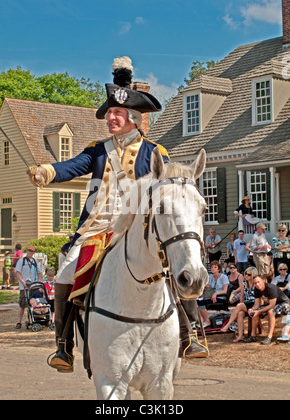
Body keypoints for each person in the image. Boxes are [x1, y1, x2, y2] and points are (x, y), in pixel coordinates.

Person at [28, 56, 206, 372]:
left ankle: (190, 336)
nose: (111, 118)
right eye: (109, 113)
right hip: (96, 231)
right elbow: (71, 167)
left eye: (117, 113)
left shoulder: (155, 152)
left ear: (133, 118)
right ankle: (64, 345)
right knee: (67, 273)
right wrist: (46, 171)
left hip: (136, 228)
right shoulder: (97, 150)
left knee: (174, 263)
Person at [244, 274, 290, 345]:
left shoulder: (270, 288)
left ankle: (269, 337)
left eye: (258, 282)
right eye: (255, 283)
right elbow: (256, 305)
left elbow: (272, 305)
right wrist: (252, 309)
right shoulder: (257, 289)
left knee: (270, 311)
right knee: (254, 312)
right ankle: (253, 336)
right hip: (272, 304)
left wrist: (258, 311)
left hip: (284, 303)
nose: (257, 284)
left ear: (263, 281)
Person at [221, 266, 258, 342]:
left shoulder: (256, 284)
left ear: (253, 275)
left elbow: (259, 298)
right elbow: (242, 297)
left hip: (254, 304)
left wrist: (241, 305)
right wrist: (241, 306)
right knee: (240, 313)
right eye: (246, 274)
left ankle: (228, 325)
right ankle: (240, 336)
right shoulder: (244, 283)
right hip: (246, 303)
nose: (247, 276)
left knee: (239, 306)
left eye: (249, 275)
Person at [15, 245, 43, 329]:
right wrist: (22, 282)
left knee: (36, 303)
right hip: (24, 287)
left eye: (32, 251)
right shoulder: (21, 261)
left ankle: (37, 319)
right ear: (26, 251)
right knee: (22, 304)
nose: (30, 252)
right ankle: (19, 322)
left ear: (34, 252)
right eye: (29, 250)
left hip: (34, 286)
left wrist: (40, 282)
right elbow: (17, 272)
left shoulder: (36, 262)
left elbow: (40, 273)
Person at [197, 261, 229, 327]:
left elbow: (225, 291)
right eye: (212, 267)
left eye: (215, 267)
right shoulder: (210, 277)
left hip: (220, 297)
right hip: (211, 296)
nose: (213, 268)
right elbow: (209, 286)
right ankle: (200, 320)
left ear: (219, 269)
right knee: (197, 301)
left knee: (200, 303)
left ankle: (207, 321)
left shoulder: (224, 277)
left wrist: (216, 294)